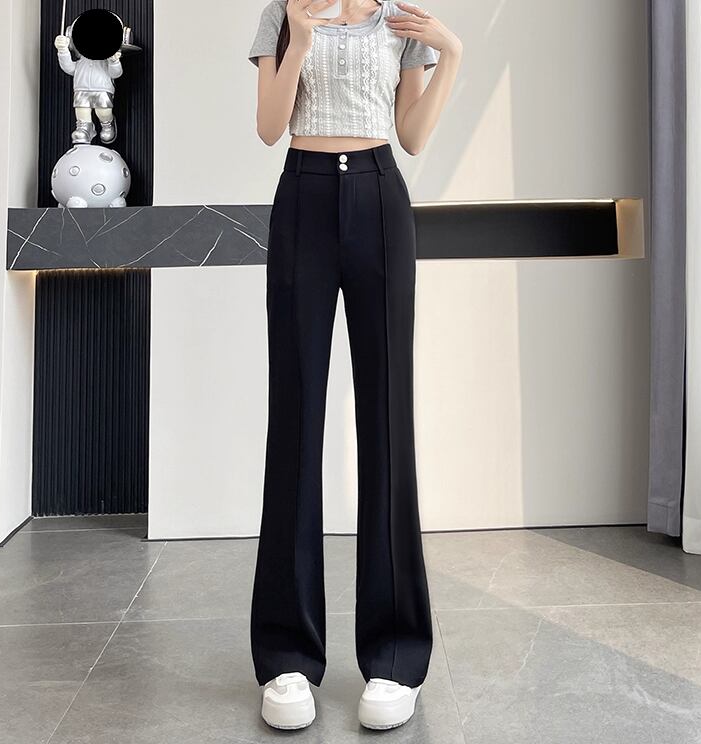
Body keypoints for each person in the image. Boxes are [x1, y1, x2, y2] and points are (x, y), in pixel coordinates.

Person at [247, 0, 462, 731]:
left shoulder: (400, 20)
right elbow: (269, 126)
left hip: (378, 196)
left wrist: (452, 53)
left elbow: (413, 136)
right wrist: (300, 38)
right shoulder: (282, 15)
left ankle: (396, 657)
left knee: (387, 421)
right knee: (296, 419)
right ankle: (286, 657)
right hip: (302, 198)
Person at [54, 31, 123, 145]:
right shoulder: (81, 62)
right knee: (82, 110)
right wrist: (63, 51)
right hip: (81, 88)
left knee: (103, 111)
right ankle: (84, 128)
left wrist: (114, 62)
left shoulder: (106, 61)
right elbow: (69, 67)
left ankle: (107, 123)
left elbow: (115, 73)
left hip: (102, 89)